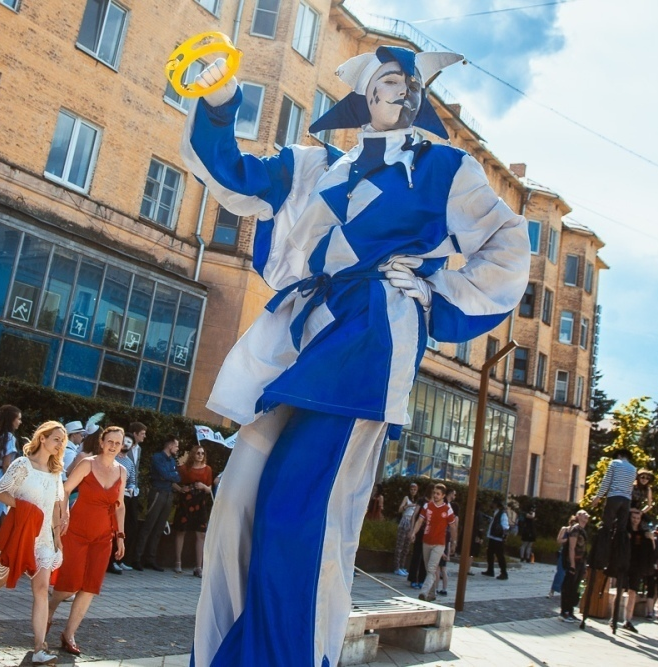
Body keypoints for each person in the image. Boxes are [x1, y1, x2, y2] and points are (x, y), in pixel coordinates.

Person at [181, 42, 529, 666]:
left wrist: (432, 295)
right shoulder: (317, 168)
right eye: (393, 80)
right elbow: (235, 177)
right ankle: (232, 654)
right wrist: (218, 100)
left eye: (415, 85)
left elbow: (507, 246)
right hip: (305, 338)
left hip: (368, 343)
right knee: (238, 500)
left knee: (305, 517)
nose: (406, 92)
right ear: (366, 93)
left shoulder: (443, 168)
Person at [0, 421, 66, 665]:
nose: (59, 444)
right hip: (19, 533)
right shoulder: (22, 465)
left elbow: (56, 507)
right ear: (42, 438)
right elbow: (0, 492)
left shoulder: (56, 471)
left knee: (42, 589)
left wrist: (58, 538)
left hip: (44, 538)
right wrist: (24, 508)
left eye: (61, 441)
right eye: (56, 438)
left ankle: (38, 647)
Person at [49, 425, 126, 656]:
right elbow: (64, 490)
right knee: (69, 583)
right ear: (101, 442)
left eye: (118, 443)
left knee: (90, 587)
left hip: (104, 537)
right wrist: (64, 515)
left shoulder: (122, 471)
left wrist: (121, 536)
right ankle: (49, 611)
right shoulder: (87, 463)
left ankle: (69, 633)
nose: (113, 446)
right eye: (110, 441)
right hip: (77, 531)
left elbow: (120, 506)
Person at [133, 435, 181, 571]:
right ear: (170, 445)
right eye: (176, 446)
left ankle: (150, 558)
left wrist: (170, 475)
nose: (177, 449)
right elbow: (166, 474)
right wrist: (170, 475)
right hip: (158, 493)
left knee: (159, 527)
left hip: (168, 494)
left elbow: (177, 477)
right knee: (148, 525)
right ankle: (137, 558)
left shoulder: (172, 460)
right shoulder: (157, 457)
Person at [589, 448, 637, 570]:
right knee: (621, 529)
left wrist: (598, 497)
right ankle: (618, 556)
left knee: (606, 526)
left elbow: (606, 481)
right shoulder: (633, 469)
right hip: (626, 500)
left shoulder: (614, 463)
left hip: (614, 497)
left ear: (619, 455)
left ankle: (601, 557)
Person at [173, 443, 214, 577]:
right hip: (186, 501)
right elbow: (173, 480)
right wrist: (180, 489)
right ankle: (178, 562)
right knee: (181, 531)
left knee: (200, 534)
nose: (200, 456)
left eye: (202, 453)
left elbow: (210, 490)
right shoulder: (184, 468)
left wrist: (203, 486)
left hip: (200, 503)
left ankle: (198, 566)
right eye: (198, 453)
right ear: (193, 454)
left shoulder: (207, 470)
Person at [409, 483, 456, 602]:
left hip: (439, 544)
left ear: (443, 495)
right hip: (426, 541)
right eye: (434, 493)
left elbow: (453, 527)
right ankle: (432, 594)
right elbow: (420, 521)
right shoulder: (427, 506)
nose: (435, 495)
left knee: (431, 569)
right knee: (428, 568)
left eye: (438, 494)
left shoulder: (447, 509)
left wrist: (453, 542)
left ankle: (423, 593)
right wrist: (414, 532)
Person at [617, 507, 654, 633]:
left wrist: (651, 538)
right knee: (620, 590)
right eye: (633, 518)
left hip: (636, 566)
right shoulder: (624, 530)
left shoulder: (643, 533)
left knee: (633, 592)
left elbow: (651, 550)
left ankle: (628, 620)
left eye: (638, 518)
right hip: (624, 564)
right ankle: (615, 617)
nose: (635, 520)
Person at [110, 434, 138, 573]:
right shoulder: (112, 458)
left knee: (123, 527)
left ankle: (118, 559)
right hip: (110, 497)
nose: (126, 444)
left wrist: (132, 488)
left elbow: (132, 480)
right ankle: (110, 561)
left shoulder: (130, 463)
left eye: (129, 442)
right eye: (124, 441)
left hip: (124, 498)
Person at [560, 510, 589, 622]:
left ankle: (570, 611)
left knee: (574, 588)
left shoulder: (583, 530)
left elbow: (584, 550)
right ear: (578, 517)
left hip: (580, 563)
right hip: (574, 562)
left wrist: (584, 567)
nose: (586, 515)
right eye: (583, 514)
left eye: (586, 514)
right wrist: (572, 565)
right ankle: (564, 612)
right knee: (568, 586)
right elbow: (571, 548)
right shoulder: (575, 529)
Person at [393, 482, 419, 576]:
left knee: (406, 547)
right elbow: (400, 509)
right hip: (405, 521)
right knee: (400, 545)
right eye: (412, 489)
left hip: (411, 523)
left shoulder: (417, 500)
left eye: (415, 490)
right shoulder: (406, 498)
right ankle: (396, 567)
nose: (413, 491)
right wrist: (407, 506)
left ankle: (402, 566)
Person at [548, 515, 575, 598]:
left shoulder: (577, 532)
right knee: (560, 572)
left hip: (572, 554)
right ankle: (552, 591)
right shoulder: (564, 529)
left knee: (569, 574)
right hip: (563, 553)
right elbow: (559, 540)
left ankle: (564, 592)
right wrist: (568, 540)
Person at [482, 498, 509, 580]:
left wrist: (502, 535)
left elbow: (505, 526)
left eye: (493, 503)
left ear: (497, 504)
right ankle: (490, 570)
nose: (492, 504)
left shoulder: (502, 514)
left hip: (498, 538)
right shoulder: (497, 512)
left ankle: (504, 573)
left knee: (500, 556)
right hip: (493, 537)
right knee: (490, 553)